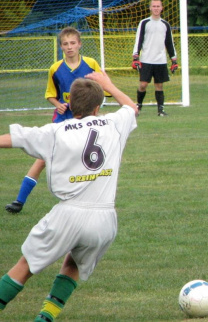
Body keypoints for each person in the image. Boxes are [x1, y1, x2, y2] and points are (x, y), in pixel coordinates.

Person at [0, 71, 138, 321]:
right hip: (105, 219)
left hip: (69, 214)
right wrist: (108, 84)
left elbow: (12, 139)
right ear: (98, 107)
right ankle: (45, 318)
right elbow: (131, 107)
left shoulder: (55, 132)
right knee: (74, 264)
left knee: (25, 266)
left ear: (70, 103)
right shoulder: (114, 124)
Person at [5, 27, 103, 214]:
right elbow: (50, 94)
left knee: (85, 158)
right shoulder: (55, 69)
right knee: (43, 158)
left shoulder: (91, 64)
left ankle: (89, 199)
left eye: (73, 43)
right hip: (63, 118)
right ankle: (19, 200)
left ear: (80, 44)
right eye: (65, 44)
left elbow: (102, 88)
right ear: (61, 47)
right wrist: (58, 103)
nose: (69, 47)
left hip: (86, 118)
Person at [132, 0, 178, 116]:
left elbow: (169, 42)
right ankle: (139, 106)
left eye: (158, 6)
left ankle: (160, 110)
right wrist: (135, 57)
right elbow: (139, 40)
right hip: (146, 59)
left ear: (162, 8)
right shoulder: (144, 23)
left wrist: (174, 59)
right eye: (154, 6)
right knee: (143, 85)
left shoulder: (165, 24)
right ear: (150, 8)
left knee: (159, 85)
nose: (156, 8)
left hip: (160, 60)